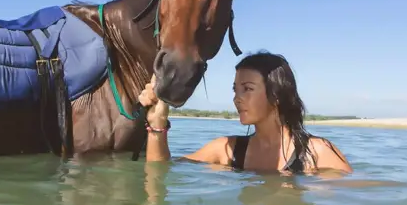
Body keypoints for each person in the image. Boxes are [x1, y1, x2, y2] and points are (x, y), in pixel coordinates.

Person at [138, 51, 352, 174]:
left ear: (276, 94)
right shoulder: (227, 149)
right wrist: (157, 121)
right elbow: (161, 172)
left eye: (247, 89)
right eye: (235, 90)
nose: (236, 98)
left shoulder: (317, 153)